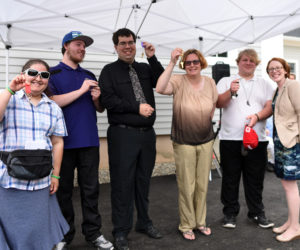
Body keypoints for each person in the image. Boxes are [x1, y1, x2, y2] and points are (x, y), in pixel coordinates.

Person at [99, 28, 164, 250]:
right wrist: (136, 107)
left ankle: (144, 222)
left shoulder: (145, 68)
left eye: (131, 42)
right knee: (122, 184)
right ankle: (120, 231)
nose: (128, 46)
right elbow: (108, 100)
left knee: (143, 181)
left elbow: (161, 82)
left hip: (147, 135)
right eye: (123, 43)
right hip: (122, 134)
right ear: (116, 46)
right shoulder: (109, 71)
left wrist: (153, 57)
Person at [48, 31, 113, 250]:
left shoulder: (88, 74)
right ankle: (64, 236)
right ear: (66, 45)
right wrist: (82, 89)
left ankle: (93, 233)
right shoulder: (53, 73)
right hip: (62, 143)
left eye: (84, 46)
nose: (82, 49)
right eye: (78, 44)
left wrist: (97, 99)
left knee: (91, 190)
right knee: (63, 191)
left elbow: (100, 108)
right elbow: (53, 101)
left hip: (89, 141)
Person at [0, 59, 69, 249]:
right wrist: (10, 89)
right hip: (10, 180)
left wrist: (55, 174)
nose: (38, 78)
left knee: (38, 232)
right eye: (33, 73)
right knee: (12, 233)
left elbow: (57, 142)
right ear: (23, 75)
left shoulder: (53, 108)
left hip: (41, 180)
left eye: (44, 75)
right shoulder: (8, 98)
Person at [156, 48, 218, 240]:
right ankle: (186, 225)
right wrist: (172, 62)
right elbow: (159, 88)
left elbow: (214, 103)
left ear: (202, 63)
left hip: (206, 140)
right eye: (188, 62)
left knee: (202, 185)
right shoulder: (177, 80)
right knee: (186, 185)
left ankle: (200, 222)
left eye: (195, 62)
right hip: (183, 142)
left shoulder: (209, 81)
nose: (192, 65)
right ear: (184, 65)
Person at [216, 49, 275, 229]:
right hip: (230, 138)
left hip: (257, 139)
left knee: (255, 179)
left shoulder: (265, 83)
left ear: (256, 64)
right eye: (245, 60)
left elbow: (269, 107)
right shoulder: (226, 81)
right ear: (238, 62)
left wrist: (256, 116)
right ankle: (230, 214)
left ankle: (257, 213)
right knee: (230, 178)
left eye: (252, 61)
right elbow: (219, 103)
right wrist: (230, 91)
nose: (248, 63)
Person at [266, 57, 300, 242]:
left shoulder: (293, 86)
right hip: (280, 142)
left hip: (291, 143)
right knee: (286, 184)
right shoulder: (277, 90)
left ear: (286, 70)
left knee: (290, 186)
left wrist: (298, 140)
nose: (274, 71)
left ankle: (295, 227)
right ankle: (290, 221)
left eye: (278, 68)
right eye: (271, 69)